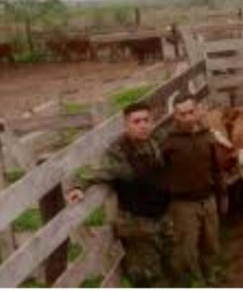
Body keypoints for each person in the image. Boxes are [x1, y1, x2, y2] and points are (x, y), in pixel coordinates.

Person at [65, 102, 172, 287]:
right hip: (136, 223)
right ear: (126, 125)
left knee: (167, 265)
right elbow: (94, 172)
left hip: (160, 216)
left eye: (146, 120)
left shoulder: (154, 142)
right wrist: (78, 187)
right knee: (146, 277)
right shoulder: (118, 153)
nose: (143, 125)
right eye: (136, 121)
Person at [160, 92, 224, 286]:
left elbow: (216, 167)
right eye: (182, 114)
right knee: (187, 248)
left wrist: (222, 195)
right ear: (175, 116)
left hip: (208, 198)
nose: (188, 117)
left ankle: (210, 275)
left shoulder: (208, 136)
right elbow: (159, 172)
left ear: (198, 112)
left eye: (191, 112)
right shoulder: (168, 142)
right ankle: (197, 282)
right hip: (183, 204)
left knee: (211, 243)